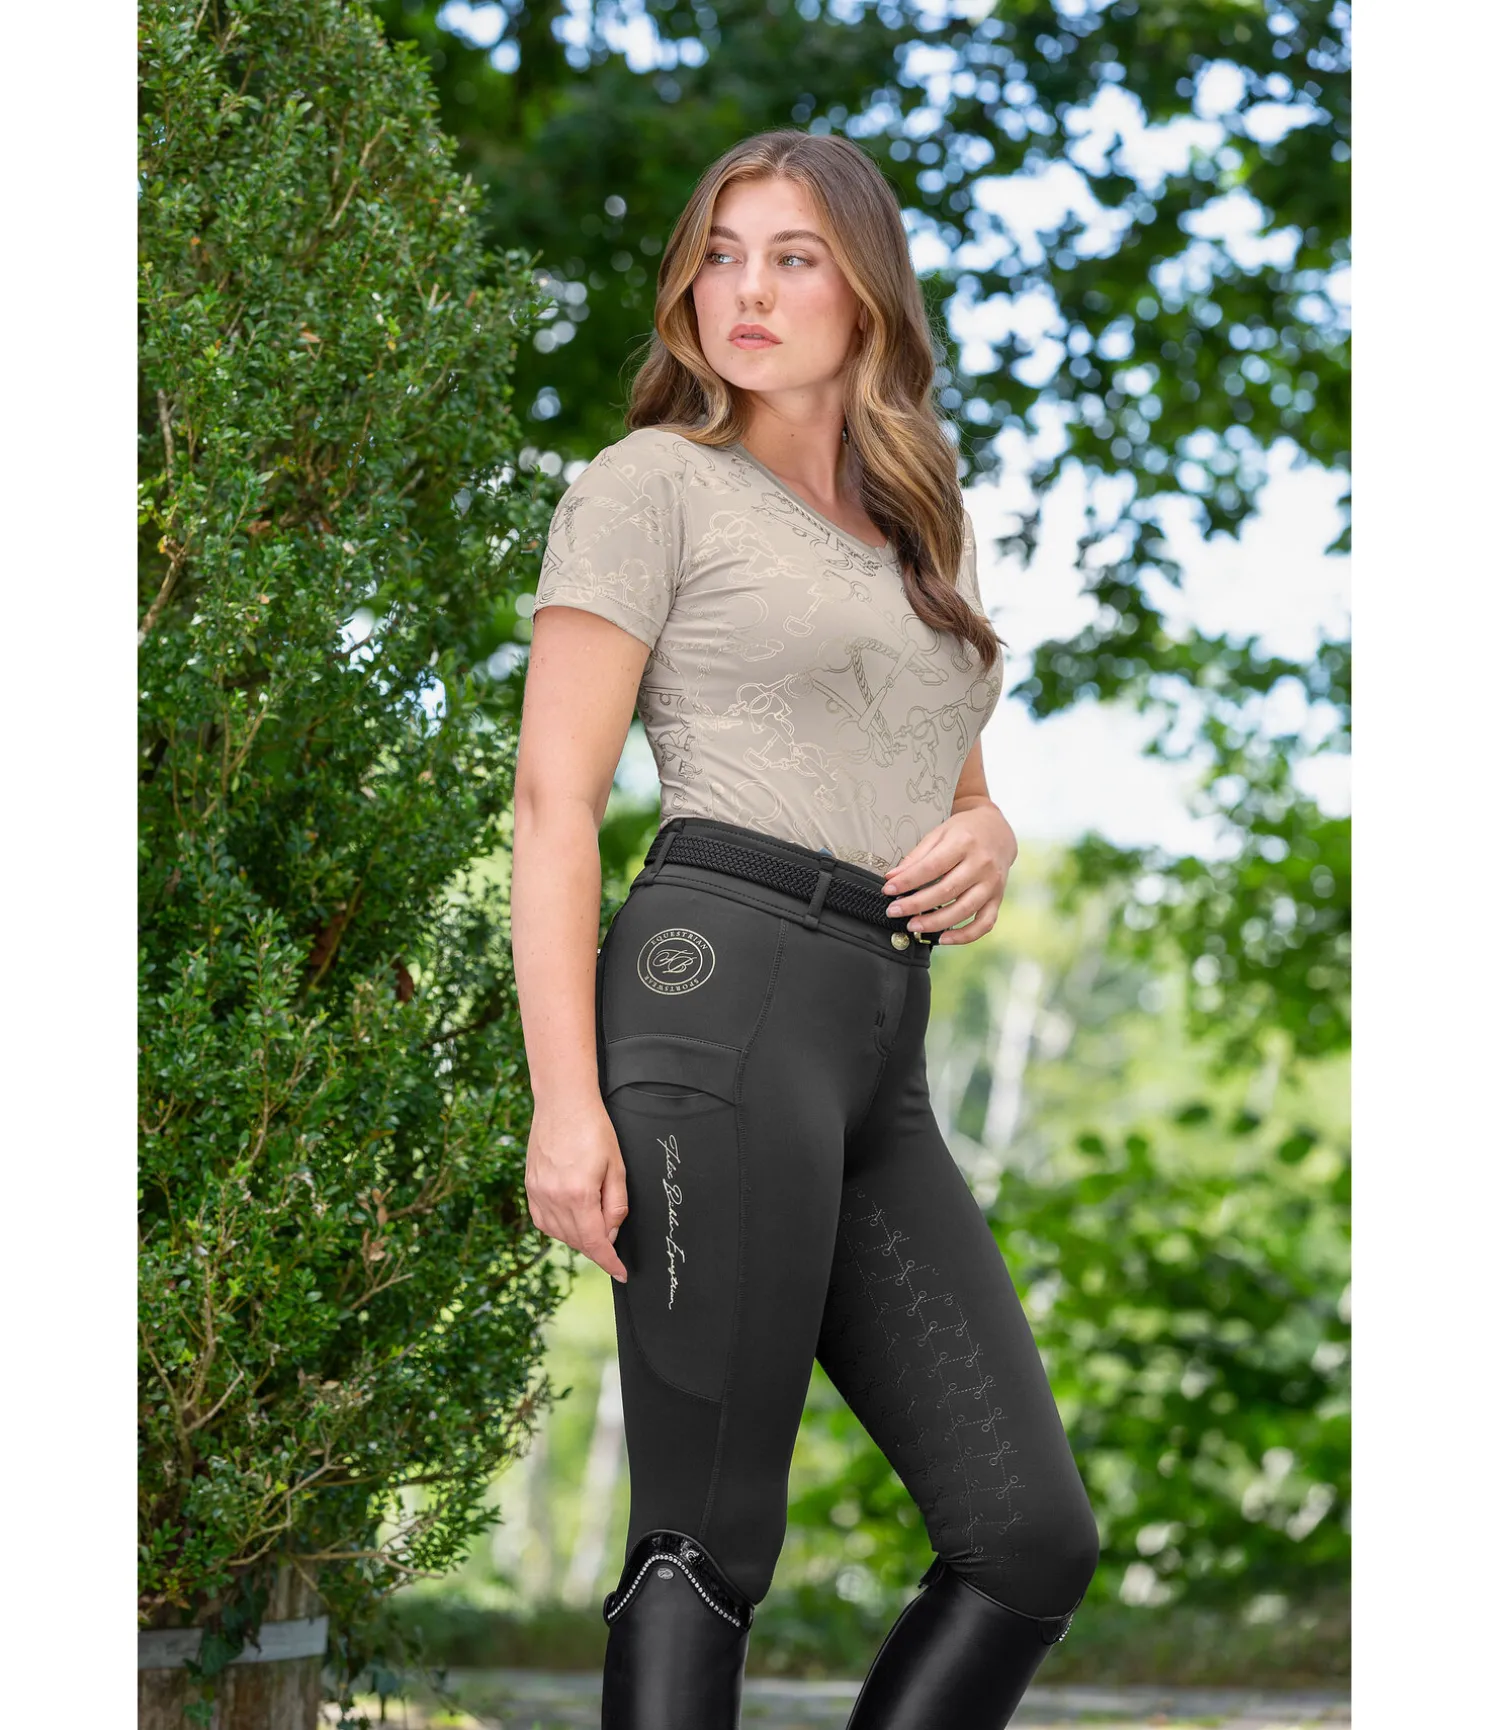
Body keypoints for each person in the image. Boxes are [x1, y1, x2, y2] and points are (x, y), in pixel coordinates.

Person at [510, 128, 1100, 1730]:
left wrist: (989, 829)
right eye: (718, 254)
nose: (744, 290)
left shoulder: (915, 524)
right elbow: (555, 802)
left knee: (1027, 1536)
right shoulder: (649, 485)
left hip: (875, 1033)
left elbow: (947, 778)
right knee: (707, 1529)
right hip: (718, 992)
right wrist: (563, 1102)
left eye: (791, 257)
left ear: (866, 295)